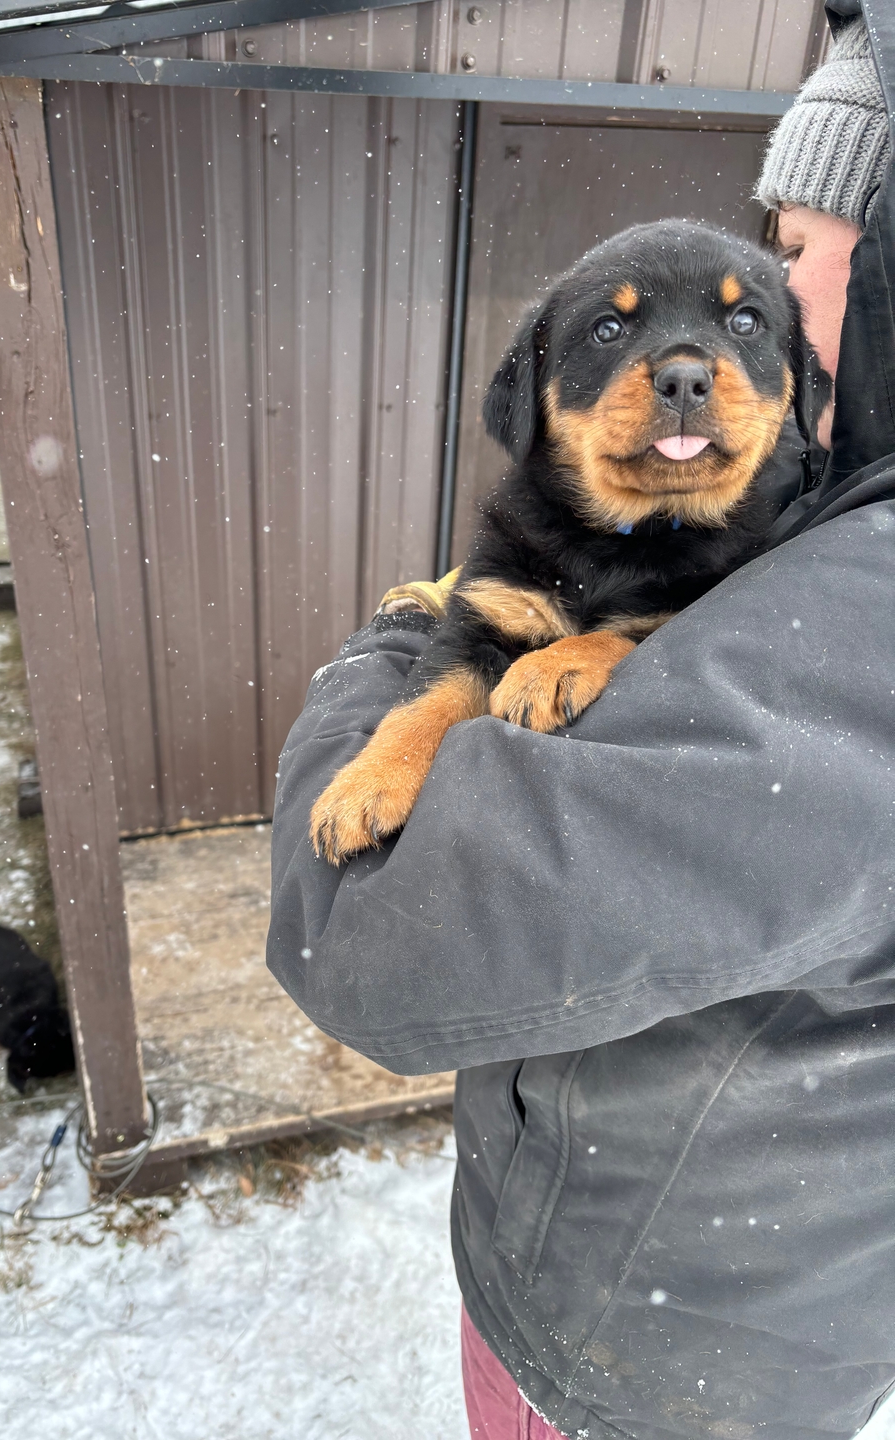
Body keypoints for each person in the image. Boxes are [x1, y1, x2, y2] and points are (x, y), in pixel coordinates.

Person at [267, 3, 895, 1436]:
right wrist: (436, 687)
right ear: (537, 406)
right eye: (623, 344)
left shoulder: (841, 595)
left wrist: (389, 651)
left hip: (653, 1351)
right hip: (711, 1301)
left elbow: (369, 934)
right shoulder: (833, 508)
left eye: (768, 286)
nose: (686, 366)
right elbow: (471, 652)